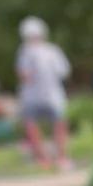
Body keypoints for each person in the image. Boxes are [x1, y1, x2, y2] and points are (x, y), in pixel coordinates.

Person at [16, 16, 72, 169]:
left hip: (47, 94)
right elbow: (24, 75)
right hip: (39, 95)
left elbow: (62, 71)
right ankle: (48, 158)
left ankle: (54, 157)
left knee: (56, 123)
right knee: (36, 125)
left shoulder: (47, 51)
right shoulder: (31, 52)